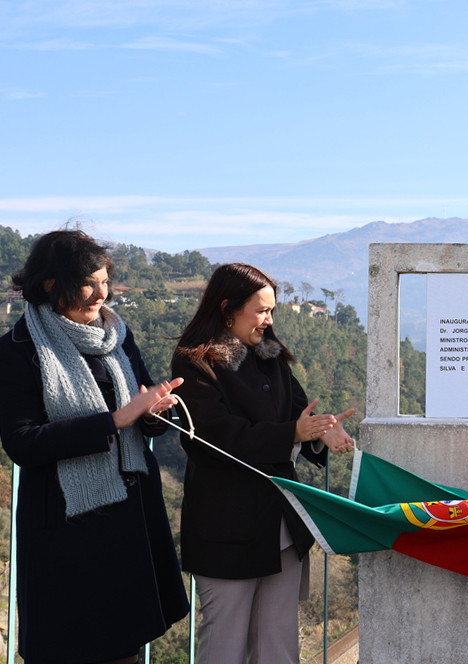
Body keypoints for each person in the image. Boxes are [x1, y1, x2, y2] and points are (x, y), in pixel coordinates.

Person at [0, 229, 189, 664]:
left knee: (129, 646)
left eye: (106, 281)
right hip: (66, 530)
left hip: (130, 519)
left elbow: (145, 422)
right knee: (72, 649)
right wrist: (117, 419)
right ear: (51, 284)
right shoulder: (17, 350)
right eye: (89, 282)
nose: (101, 293)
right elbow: (23, 443)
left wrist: (154, 413)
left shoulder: (117, 336)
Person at [171, 263, 355, 664]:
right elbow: (213, 436)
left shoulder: (271, 356)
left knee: (278, 642)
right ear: (227, 308)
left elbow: (297, 414)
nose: (268, 320)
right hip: (227, 527)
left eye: (272, 310)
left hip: (281, 525)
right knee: (225, 643)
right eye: (261, 310)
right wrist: (294, 433)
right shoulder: (195, 363)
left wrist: (323, 431)